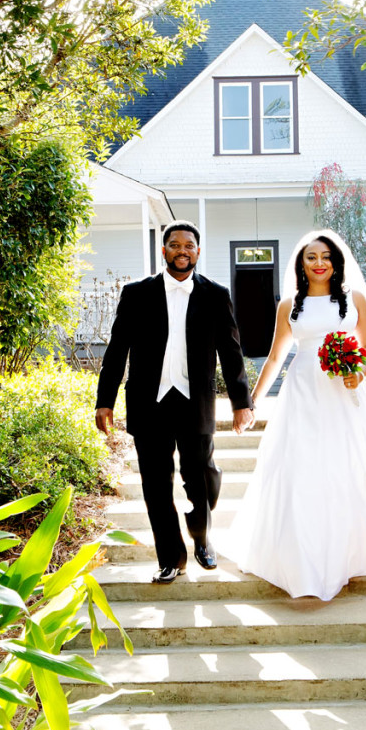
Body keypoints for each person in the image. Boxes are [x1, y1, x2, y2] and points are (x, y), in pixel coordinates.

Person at [224, 230, 366, 601]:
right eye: (311, 258)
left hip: (342, 393)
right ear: (301, 265)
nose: (319, 264)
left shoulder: (355, 300)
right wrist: (252, 402)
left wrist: (359, 372)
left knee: (341, 468)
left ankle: (343, 554)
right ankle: (299, 558)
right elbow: (275, 358)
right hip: (301, 393)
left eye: (326, 257)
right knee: (297, 468)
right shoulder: (289, 306)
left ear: (336, 262)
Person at [95, 221, 255, 584]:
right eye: (174, 245)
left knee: (201, 479)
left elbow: (231, 352)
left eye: (189, 246)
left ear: (198, 252)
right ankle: (171, 558)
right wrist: (105, 401)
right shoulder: (136, 294)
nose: (182, 251)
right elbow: (117, 350)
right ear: (163, 250)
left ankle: (202, 539)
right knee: (156, 485)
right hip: (149, 404)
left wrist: (241, 401)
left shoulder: (215, 294)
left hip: (194, 403)